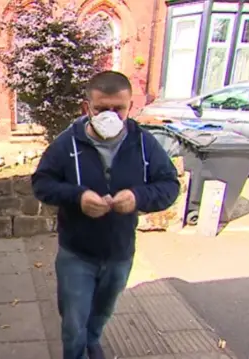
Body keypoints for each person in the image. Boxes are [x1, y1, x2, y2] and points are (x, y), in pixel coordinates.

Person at [32, 71, 180, 359]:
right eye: (101, 109)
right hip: (77, 253)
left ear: (130, 107)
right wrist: (78, 197)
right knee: (74, 321)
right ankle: (76, 352)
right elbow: (41, 183)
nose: (110, 116)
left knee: (102, 311)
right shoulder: (67, 144)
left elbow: (169, 185)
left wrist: (139, 196)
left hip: (119, 252)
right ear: (86, 107)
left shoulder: (144, 143)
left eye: (118, 109)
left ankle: (93, 340)